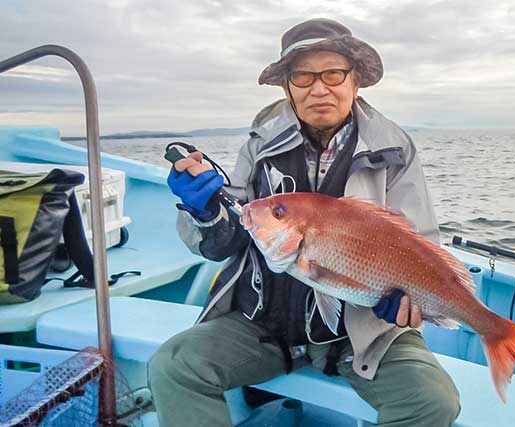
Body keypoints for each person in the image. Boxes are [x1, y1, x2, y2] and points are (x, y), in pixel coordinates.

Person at [148, 18, 460, 427]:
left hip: (361, 333)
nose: (318, 87)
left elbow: (417, 243)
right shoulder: (259, 145)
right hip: (262, 326)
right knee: (173, 366)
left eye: (333, 73)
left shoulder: (394, 151)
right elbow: (225, 241)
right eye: (302, 75)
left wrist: (404, 301)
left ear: (356, 80)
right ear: (287, 86)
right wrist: (204, 211)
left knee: (433, 402)